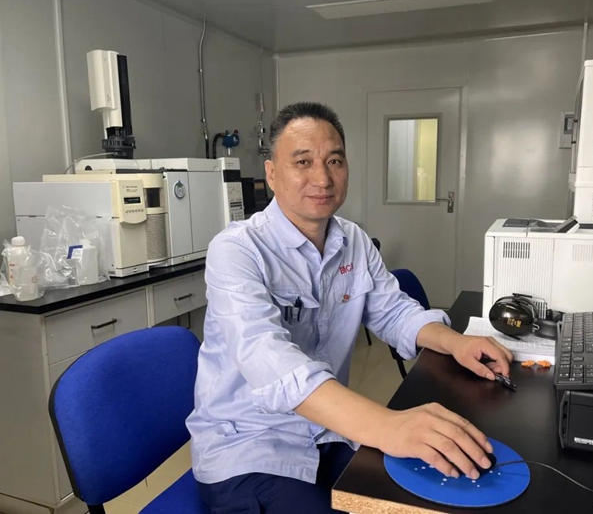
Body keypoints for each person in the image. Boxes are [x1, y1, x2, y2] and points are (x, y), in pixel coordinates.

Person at [187, 102, 514, 514]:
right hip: (250, 446)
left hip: (327, 431)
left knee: (423, 496)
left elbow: (393, 311)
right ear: (271, 173)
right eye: (303, 162)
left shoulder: (352, 240)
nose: (323, 178)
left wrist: (456, 342)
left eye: (334, 161)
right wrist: (388, 425)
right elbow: (271, 362)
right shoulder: (237, 250)